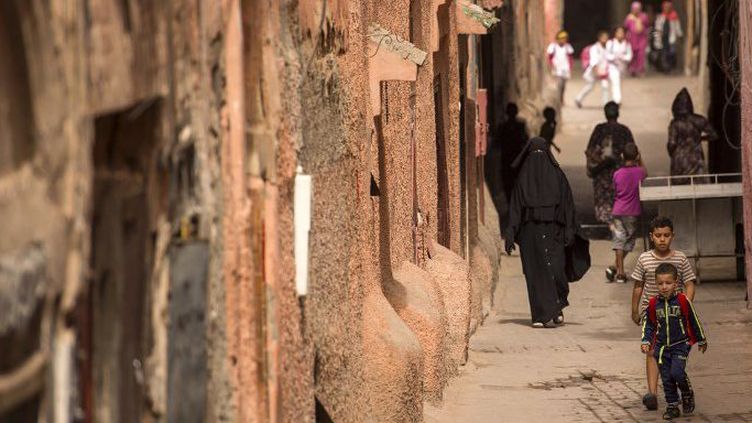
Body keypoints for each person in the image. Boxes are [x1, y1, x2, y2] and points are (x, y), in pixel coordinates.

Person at [504, 137, 577, 328]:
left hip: (554, 231)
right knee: (535, 273)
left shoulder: (558, 177)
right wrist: (510, 233)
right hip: (530, 234)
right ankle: (539, 315)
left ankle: (557, 305)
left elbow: (568, 205)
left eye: (541, 155)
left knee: (556, 270)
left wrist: (569, 229)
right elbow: (515, 209)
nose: (538, 160)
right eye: (534, 155)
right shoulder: (522, 180)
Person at [631, 216, 697, 411]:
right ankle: (652, 393)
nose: (662, 239)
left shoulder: (680, 258)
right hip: (651, 314)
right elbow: (637, 286)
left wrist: (686, 305)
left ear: (672, 236)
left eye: (666, 235)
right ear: (651, 237)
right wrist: (634, 310)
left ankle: (680, 386)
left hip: (675, 315)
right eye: (658, 235)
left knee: (672, 351)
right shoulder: (644, 259)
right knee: (652, 350)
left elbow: (690, 283)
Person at [641, 263, 707, 419]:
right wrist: (645, 340)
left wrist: (701, 339)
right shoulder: (653, 304)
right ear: (656, 284)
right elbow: (649, 324)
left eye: (668, 283)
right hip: (661, 348)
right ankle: (672, 406)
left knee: (676, 372)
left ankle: (686, 392)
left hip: (680, 345)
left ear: (676, 283)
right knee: (666, 379)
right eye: (660, 283)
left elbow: (694, 320)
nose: (664, 287)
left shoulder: (683, 301)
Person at [585, 101, 634, 225]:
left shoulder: (599, 130)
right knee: (619, 197)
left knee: (604, 200)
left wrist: (595, 164)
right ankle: (618, 225)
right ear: (618, 113)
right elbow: (632, 152)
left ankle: (611, 225)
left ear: (605, 114)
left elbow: (589, 150)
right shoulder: (624, 131)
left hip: (602, 172)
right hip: (621, 172)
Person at [607, 143, 646, 284]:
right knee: (629, 241)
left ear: (622, 156)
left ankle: (618, 270)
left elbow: (614, 190)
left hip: (617, 211)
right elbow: (646, 172)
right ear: (636, 156)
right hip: (632, 213)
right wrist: (640, 159)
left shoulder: (617, 174)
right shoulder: (639, 172)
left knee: (619, 240)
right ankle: (620, 271)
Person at [668, 88, 718, 180]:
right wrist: (700, 138)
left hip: (679, 160)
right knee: (699, 186)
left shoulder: (675, 124)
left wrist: (672, 153)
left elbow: (672, 143)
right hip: (697, 158)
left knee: (679, 189)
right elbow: (714, 135)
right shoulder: (700, 120)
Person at [499, 103, 529, 202]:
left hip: (512, 158)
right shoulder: (506, 126)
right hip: (512, 158)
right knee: (511, 183)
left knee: (511, 183)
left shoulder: (505, 126)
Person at [575, 31, 613, 108]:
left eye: (606, 38)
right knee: (589, 86)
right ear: (599, 38)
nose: (605, 39)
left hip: (603, 70)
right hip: (593, 71)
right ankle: (578, 99)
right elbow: (593, 61)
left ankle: (605, 104)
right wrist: (597, 71)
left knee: (605, 86)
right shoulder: (594, 48)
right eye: (603, 38)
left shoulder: (608, 47)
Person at [654, 0, 682, 73]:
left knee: (672, 52)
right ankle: (666, 69)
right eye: (666, 7)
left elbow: (677, 26)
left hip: (671, 38)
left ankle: (671, 66)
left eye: (668, 7)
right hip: (663, 38)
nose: (667, 8)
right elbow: (657, 27)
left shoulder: (674, 16)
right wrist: (657, 38)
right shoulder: (661, 17)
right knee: (664, 54)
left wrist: (679, 34)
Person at [546, 30, 575, 104]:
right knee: (559, 83)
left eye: (564, 39)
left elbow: (570, 57)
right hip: (557, 68)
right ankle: (558, 99)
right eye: (561, 39)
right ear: (558, 39)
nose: (563, 40)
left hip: (565, 68)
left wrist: (570, 67)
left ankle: (561, 97)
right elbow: (550, 57)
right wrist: (551, 65)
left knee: (563, 85)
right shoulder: (553, 46)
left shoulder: (568, 47)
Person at [606, 27, 633, 105]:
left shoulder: (627, 44)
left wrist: (623, 57)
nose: (620, 34)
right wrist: (615, 57)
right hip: (613, 66)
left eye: (622, 32)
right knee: (615, 81)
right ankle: (617, 100)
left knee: (619, 83)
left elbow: (629, 56)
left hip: (623, 66)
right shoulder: (610, 43)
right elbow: (607, 55)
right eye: (618, 32)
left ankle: (617, 98)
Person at [624, 1, 650, 76]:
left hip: (642, 38)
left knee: (641, 54)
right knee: (632, 54)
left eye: (637, 8)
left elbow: (647, 25)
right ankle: (632, 70)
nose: (636, 10)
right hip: (632, 39)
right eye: (634, 9)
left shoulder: (643, 16)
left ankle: (640, 70)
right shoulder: (629, 17)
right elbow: (625, 27)